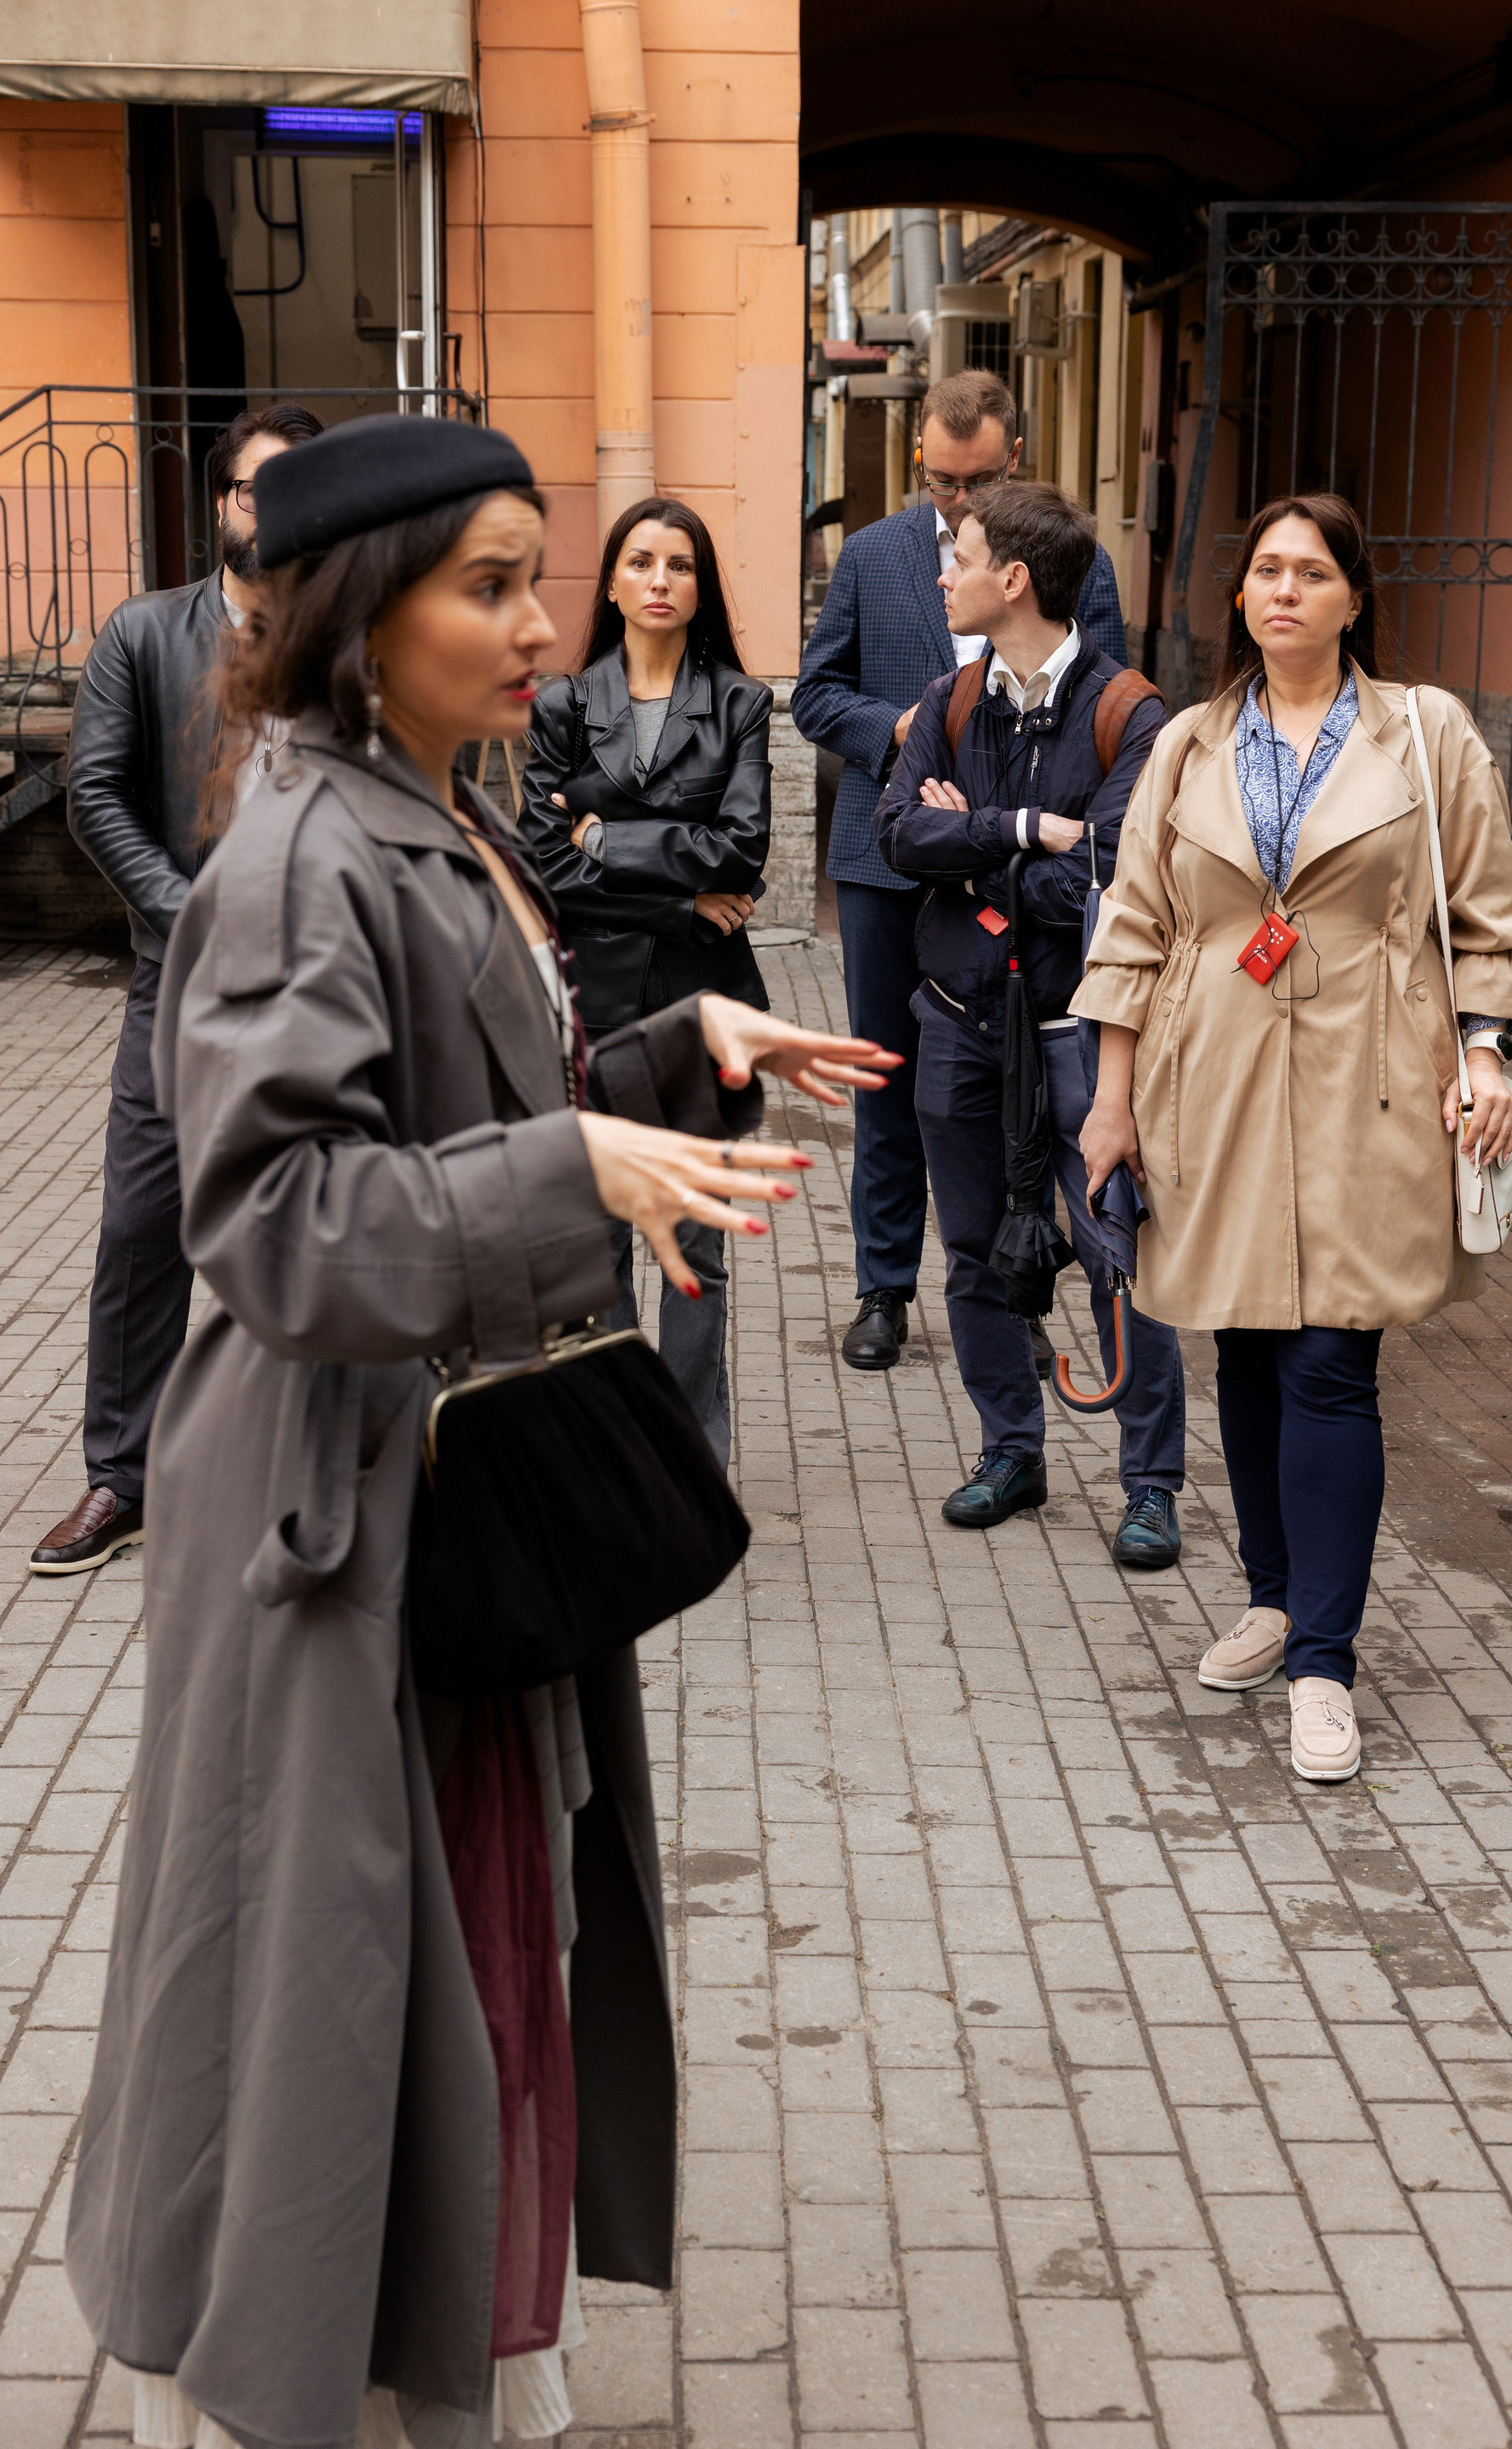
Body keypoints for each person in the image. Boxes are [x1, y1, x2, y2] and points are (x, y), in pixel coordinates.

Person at [63, 413, 898, 2449]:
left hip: (427, 1507)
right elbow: (271, 1217)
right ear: (368, 615)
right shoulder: (296, 852)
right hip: (332, 1524)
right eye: (493, 585)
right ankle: (312, 2380)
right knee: (332, 1993)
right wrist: (568, 1170)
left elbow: (471, 1113)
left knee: (446, 1973)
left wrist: (670, 1054)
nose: (543, 625)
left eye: (543, 580)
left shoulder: (422, 812)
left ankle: (417, 2360)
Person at [1074, 492, 1512, 1781]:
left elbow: (1491, 917)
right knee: (1245, 1345)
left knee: (1332, 1359)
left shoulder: (1425, 733)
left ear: (1352, 598)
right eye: (1267, 570)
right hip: (1211, 1075)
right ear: (1241, 597)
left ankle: (1324, 1664)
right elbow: (1133, 927)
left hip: (1371, 1080)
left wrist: (1485, 1053)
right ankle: (1274, 1601)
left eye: (1312, 572)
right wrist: (1111, 1100)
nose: (1285, 590)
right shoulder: (1188, 743)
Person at [30, 401, 325, 1577]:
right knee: (142, 1228)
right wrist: (191, 916)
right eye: (259, 489)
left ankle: (302, 1473)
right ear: (222, 503)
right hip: (183, 981)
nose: (276, 512)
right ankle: (124, 1475)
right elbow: (95, 796)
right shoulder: (144, 633)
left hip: (320, 988)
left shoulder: (351, 643)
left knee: (307, 1228)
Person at [793, 369, 1128, 1373]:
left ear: (1013, 457)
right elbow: (816, 694)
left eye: (977, 481)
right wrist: (901, 728)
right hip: (889, 863)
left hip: (1017, 872)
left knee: (1014, 1081)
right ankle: (883, 1288)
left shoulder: (1073, 557)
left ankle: (1014, 1291)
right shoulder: (871, 554)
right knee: (887, 1077)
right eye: (941, 480)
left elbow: (1100, 696)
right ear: (919, 460)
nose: (958, 500)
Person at [875, 481, 1186, 1548]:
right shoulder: (950, 699)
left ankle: (1150, 1485)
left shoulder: (1129, 715)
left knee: (1116, 1254)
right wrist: (1021, 830)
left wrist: (972, 855)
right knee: (971, 1252)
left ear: (1012, 580)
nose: (942, 576)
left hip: (1078, 1040)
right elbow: (895, 836)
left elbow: (1108, 880)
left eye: (959, 558)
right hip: (957, 1023)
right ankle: (1011, 1453)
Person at [520, 497, 770, 1465]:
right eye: (641, 562)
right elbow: (545, 866)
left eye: (680, 565)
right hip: (594, 1000)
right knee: (603, 1234)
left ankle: (694, 1447)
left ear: (700, 588)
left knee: (694, 1237)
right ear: (614, 583)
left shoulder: (741, 705)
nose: (660, 580)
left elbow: (741, 851)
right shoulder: (563, 707)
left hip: (703, 1007)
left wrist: (607, 839)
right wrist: (680, 898)